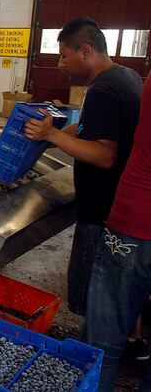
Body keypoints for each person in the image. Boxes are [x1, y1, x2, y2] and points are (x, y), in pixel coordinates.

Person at [24, 17, 143, 317]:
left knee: (88, 296)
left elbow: (105, 155)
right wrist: (54, 138)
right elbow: (89, 128)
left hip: (101, 210)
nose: (61, 64)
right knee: (122, 290)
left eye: (65, 55)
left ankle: (89, 350)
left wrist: (50, 134)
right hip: (121, 204)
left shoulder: (103, 90)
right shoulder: (125, 76)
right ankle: (131, 337)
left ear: (86, 51)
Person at [82, 73, 151, 391]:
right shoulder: (127, 80)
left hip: (134, 221)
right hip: (135, 221)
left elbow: (107, 153)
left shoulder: (121, 83)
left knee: (103, 345)